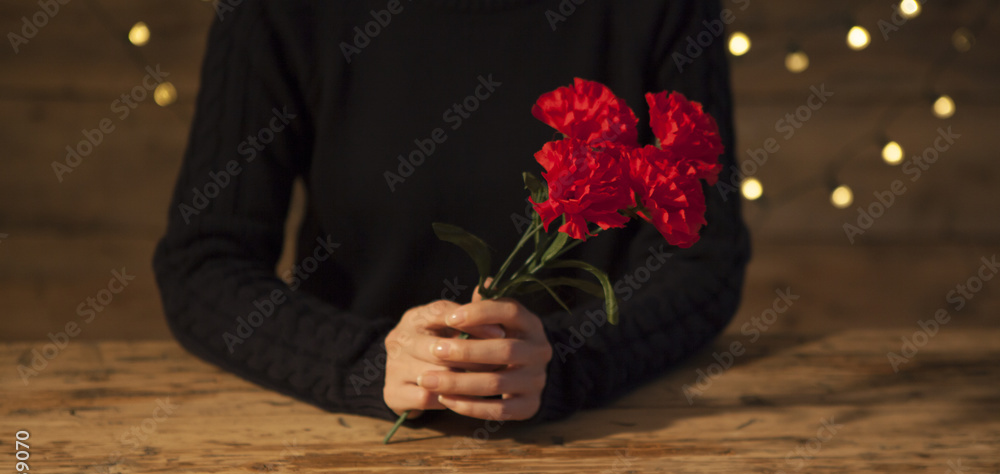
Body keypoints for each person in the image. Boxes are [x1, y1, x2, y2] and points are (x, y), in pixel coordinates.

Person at [153, 0, 750, 432]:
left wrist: (568, 361)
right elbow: (203, 264)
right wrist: (365, 362)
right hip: (338, 442)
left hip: (598, 441)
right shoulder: (280, 12)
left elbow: (706, 257)